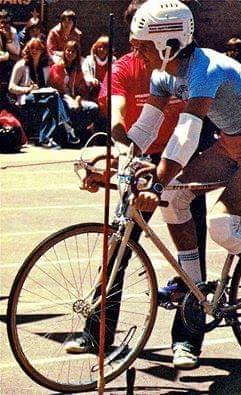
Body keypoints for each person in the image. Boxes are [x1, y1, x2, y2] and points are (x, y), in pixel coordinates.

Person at [109, 0, 241, 369]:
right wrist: (122, 157)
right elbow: (146, 128)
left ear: (168, 44)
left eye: (141, 45)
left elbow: (186, 135)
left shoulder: (204, 70)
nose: (135, 53)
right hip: (230, 142)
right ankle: (193, 288)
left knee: (222, 225)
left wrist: (158, 181)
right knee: (174, 200)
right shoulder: (163, 73)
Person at [64, 0, 214, 369]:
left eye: (142, 42)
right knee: (118, 249)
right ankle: (97, 332)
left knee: (190, 252)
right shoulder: (124, 67)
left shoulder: (183, 67)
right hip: (142, 158)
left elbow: (193, 127)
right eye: (134, 41)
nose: (137, 50)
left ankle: (187, 340)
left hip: (184, 160)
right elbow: (117, 116)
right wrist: (115, 152)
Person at [8, 38, 73, 148]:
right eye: (32, 48)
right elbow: (11, 87)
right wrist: (27, 89)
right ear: (28, 49)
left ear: (42, 50)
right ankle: (68, 127)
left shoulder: (45, 66)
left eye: (38, 48)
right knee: (53, 98)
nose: (35, 50)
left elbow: (47, 85)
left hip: (42, 96)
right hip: (26, 97)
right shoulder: (21, 65)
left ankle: (44, 139)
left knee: (53, 99)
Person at [50, 40, 98, 144]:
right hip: (61, 98)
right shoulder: (57, 67)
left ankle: (78, 131)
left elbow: (82, 90)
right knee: (70, 108)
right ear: (64, 51)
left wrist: (77, 100)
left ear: (77, 54)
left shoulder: (79, 69)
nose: (70, 53)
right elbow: (57, 88)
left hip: (76, 98)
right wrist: (71, 100)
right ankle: (70, 133)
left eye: (73, 51)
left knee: (93, 107)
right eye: (68, 50)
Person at [82, 35, 115, 102]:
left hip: (108, 93)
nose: (102, 50)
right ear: (96, 48)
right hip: (91, 93)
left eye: (105, 47)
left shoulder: (113, 61)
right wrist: (92, 80)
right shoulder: (89, 60)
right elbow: (85, 75)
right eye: (99, 47)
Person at [0, 9, 20, 102]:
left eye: (7, 22)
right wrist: (8, 56)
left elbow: (16, 54)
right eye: (2, 22)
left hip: (8, 66)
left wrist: (9, 39)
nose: (4, 25)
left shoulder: (12, 31)